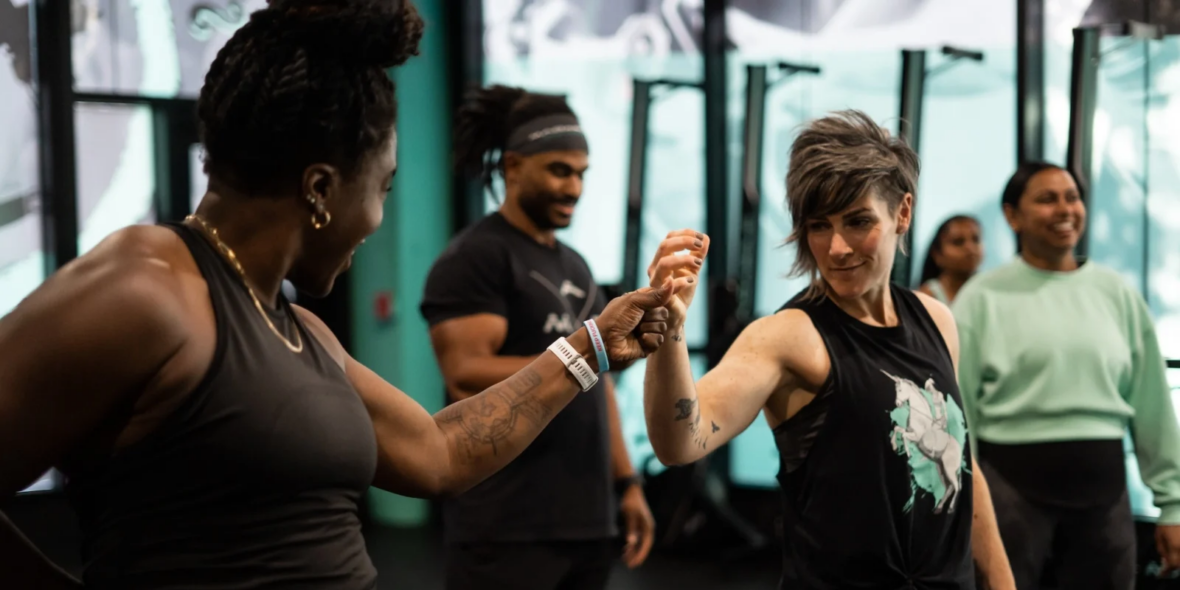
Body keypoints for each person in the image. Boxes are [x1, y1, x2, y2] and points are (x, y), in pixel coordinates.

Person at [0, 3, 676, 588]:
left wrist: (592, 347)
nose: (379, 217)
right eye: (383, 188)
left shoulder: (301, 330)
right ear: (321, 190)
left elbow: (440, 453)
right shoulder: (145, 287)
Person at [641, 110, 1015, 589]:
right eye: (820, 226)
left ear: (902, 212)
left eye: (858, 221)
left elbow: (962, 468)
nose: (837, 248)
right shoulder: (788, 336)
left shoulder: (936, 320)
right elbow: (678, 443)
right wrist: (670, 330)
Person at [419, 85, 655, 590]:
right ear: (513, 167)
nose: (574, 188)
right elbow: (465, 374)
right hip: (506, 526)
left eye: (582, 174)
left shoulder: (576, 266)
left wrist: (627, 483)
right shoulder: (477, 258)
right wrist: (587, 355)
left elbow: (597, 383)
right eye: (559, 171)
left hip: (586, 520)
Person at [952, 161, 1180, 589]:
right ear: (1012, 216)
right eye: (1047, 199)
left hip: (1103, 493)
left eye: (1072, 198)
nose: (1064, 209)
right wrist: (964, 507)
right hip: (1010, 491)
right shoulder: (980, 298)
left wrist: (1173, 505)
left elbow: (1153, 406)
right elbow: (960, 414)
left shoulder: (1117, 293)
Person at [916, 215, 982, 305]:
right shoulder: (926, 297)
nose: (970, 248)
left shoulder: (988, 289)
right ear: (937, 254)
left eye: (976, 239)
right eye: (958, 242)